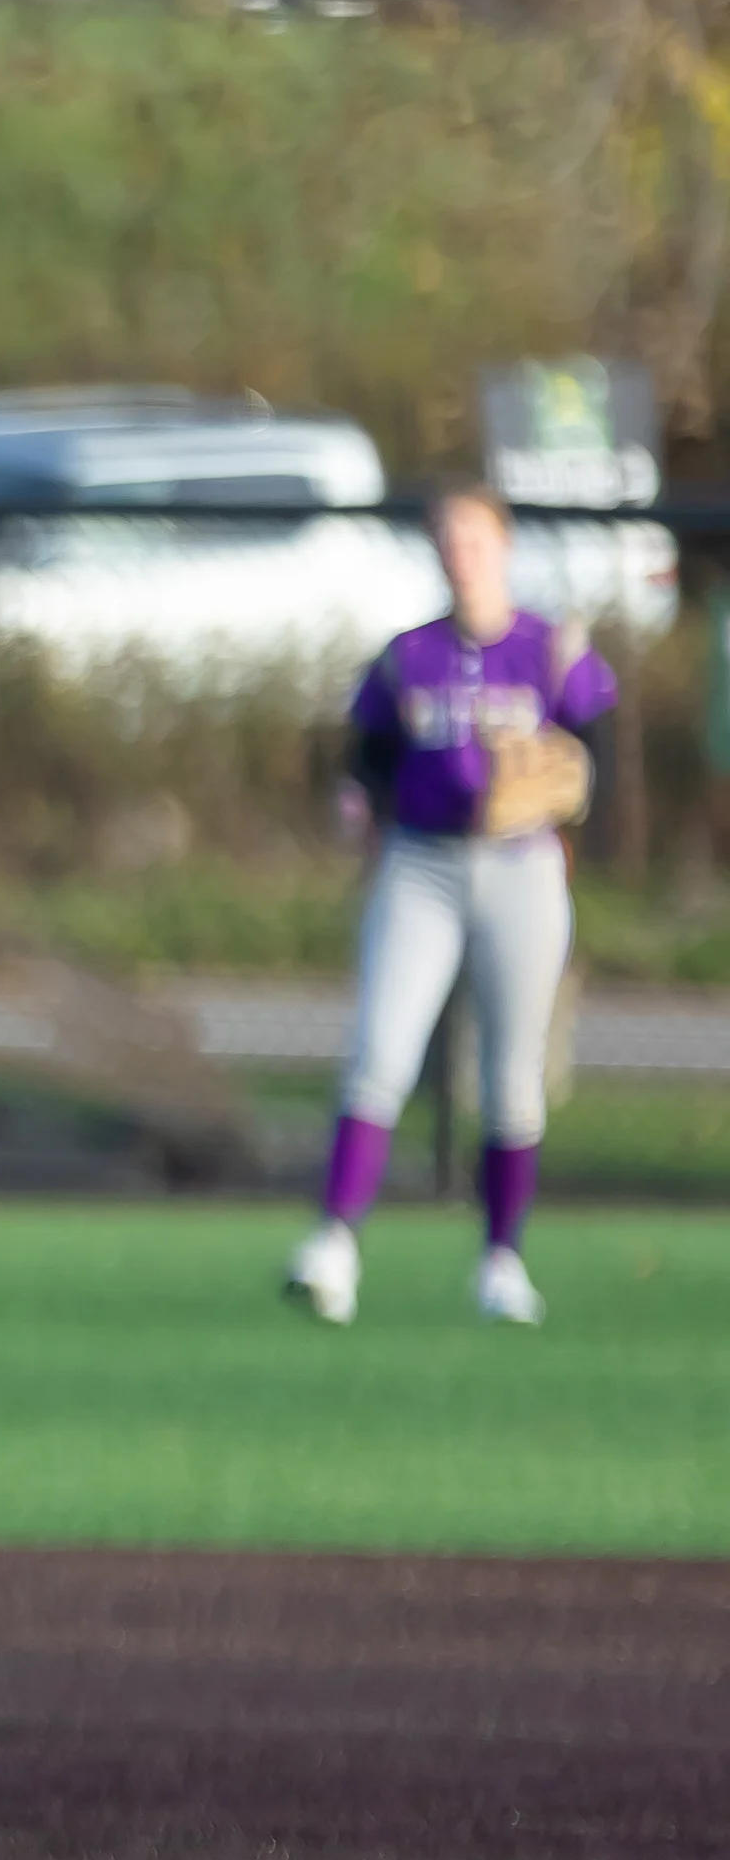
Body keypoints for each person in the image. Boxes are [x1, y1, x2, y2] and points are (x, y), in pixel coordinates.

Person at [283, 483, 617, 1327]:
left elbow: (595, 751)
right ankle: (333, 1246)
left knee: (512, 1077)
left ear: (502, 545)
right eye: (446, 538)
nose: (458, 553)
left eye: (472, 537)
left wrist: (561, 781)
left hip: (520, 867)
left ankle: (502, 1262)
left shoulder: (551, 648)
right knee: (379, 1056)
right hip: (421, 863)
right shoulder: (410, 654)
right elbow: (367, 757)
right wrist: (358, 797)